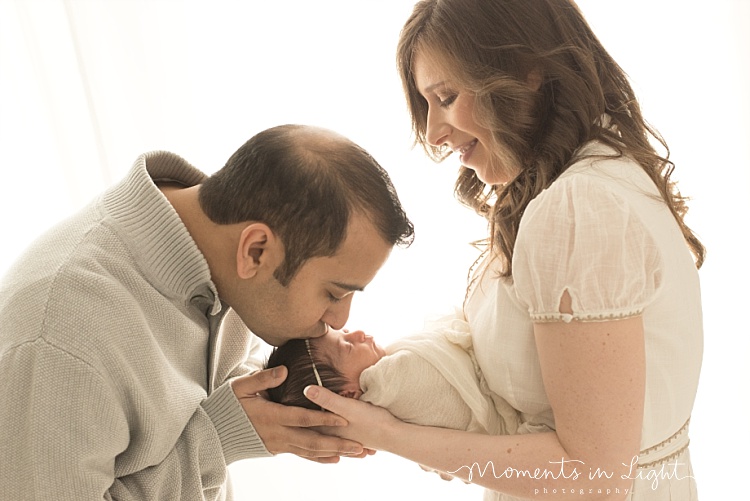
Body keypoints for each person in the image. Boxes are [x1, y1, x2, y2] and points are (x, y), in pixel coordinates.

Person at [303, 1, 705, 500]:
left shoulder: (578, 207)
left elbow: (594, 478)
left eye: (445, 97)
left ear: (524, 70)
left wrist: (387, 434)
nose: (432, 132)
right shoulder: (592, 177)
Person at [0, 124, 414, 500]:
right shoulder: (56, 338)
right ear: (256, 251)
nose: (340, 320)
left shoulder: (221, 261)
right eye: (334, 293)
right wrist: (215, 440)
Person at [265, 313, 520, 435]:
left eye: (346, 333)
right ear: (347, 394)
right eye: (348, 346)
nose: (358, 334)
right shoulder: (384, 383)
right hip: (498, 411)